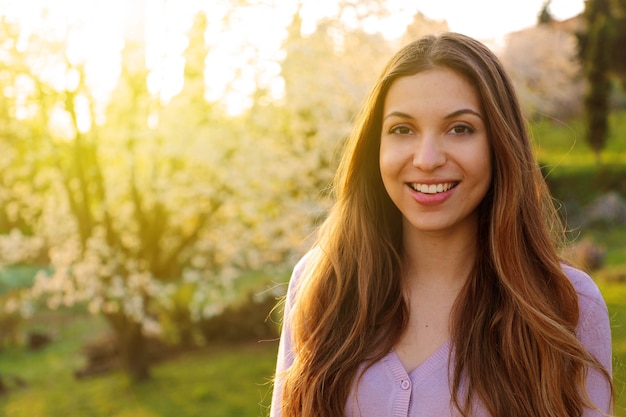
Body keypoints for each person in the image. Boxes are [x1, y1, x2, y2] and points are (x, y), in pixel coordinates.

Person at [270, 32, 614, 417]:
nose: (428, 158)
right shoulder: (321, 285)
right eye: (403, 129)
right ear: (375, 147)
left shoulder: (567, 306)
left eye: (460, 129)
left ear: (499, 144)